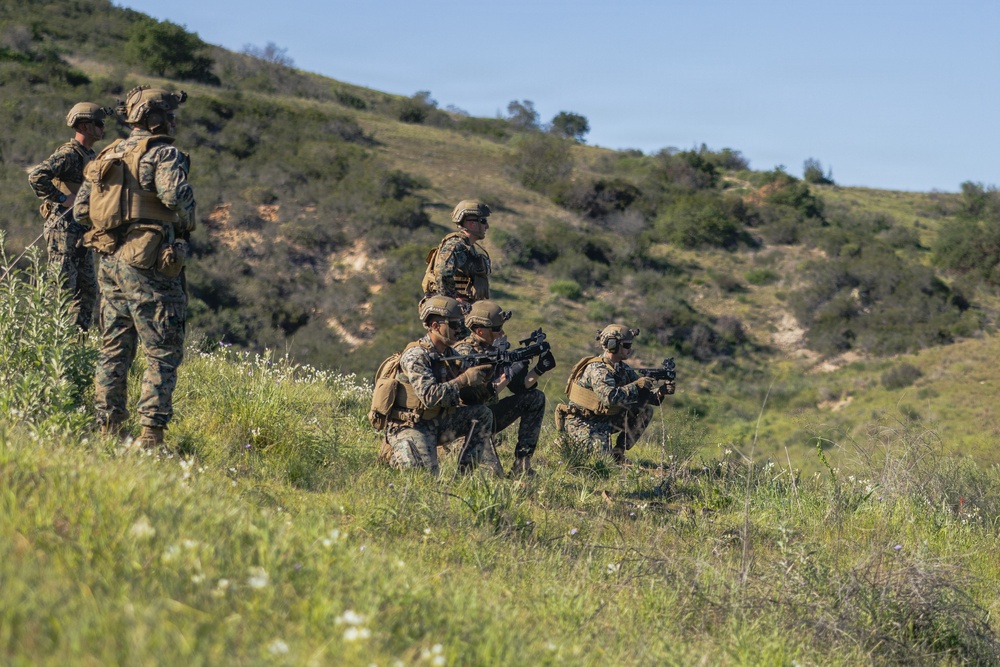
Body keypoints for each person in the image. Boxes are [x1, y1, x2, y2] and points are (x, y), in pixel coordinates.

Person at [74, 86, 196, 448]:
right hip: (149, 260)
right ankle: (151, 437)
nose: (175, 121)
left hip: (109, 260)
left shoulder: (109, 152)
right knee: (162, 347)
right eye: (170, 115)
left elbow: (82, 210)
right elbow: (175, 195)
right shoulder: (163, 152)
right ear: (156, 118)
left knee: (114, 345)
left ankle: (109, 429)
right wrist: (186, 216)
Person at [380, 295, 500, 475]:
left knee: (482, 415)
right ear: (435, 326)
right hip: (412, 424)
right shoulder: (416, 356)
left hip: (439, 421)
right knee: (425, 478)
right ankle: (395, 453)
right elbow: (430, 397)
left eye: (461, 324)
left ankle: (464, 476)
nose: (459, 330)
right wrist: (464, 380)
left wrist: (488, 376)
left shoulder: (450, 354)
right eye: (454, 325)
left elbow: (471, 393)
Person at [27, 102, 108, 331]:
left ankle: (77, 345)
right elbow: (36, 177)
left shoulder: (90, 155)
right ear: (84, 125)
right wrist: (62, 199)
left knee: (87, 291)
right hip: (63, 231)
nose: (103, 128)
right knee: (61, 290)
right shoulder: (69, 154)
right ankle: (49, 341)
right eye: (99, 124)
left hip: (82, 234)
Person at [451, 300, 556, 476]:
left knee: (535, 398)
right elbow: (473, 398)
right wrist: (506, 376)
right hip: (466, 423)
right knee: (494, 477)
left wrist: (538, 369)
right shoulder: (465, 352)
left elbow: (521, 388)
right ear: (480, 331)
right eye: (497, 329)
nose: (502, 332)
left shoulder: (492, 349)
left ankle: (522, 465)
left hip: (488, 416)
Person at [555, 325, 674, 463]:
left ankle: (618, 453)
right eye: (627, 345)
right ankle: (566, 442)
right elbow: (609, 398)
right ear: (613, 345)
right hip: (584, 422)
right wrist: (636, 385)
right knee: (601, 462)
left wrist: (661, 392)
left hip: (605, 419)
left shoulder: (622, 368)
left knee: (645, 410)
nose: (630, 349)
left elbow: (648, 397)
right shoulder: (598, 370)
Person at [422, 199, 492, 310]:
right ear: (471, 223)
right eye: (483, 221)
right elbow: (442, 273)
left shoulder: (467, 247)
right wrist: (453, 301)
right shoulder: (455, 245)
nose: (487, 226)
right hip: (452, 313)